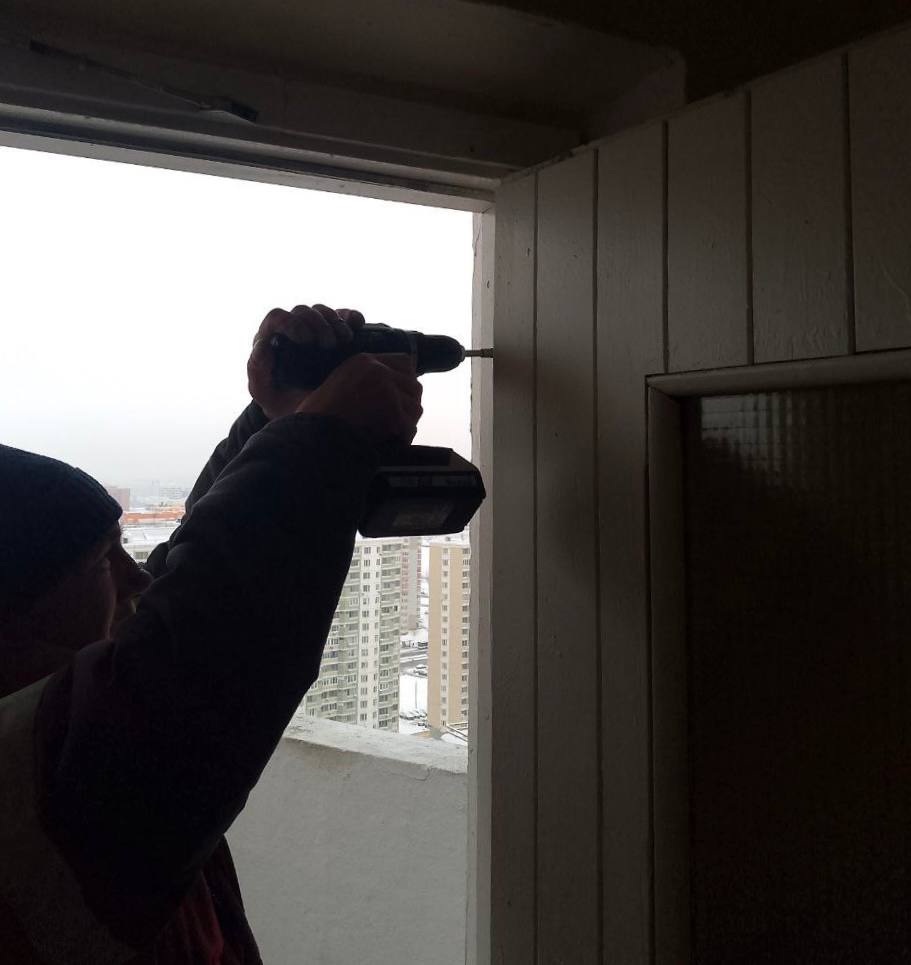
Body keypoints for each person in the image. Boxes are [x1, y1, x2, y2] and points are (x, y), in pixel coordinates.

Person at [0, 303, 423, 964]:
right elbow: (200, 653)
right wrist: (321, 437)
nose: (137, 579)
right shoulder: (39, 772)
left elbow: (183, 586)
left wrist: (273, 418)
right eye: (102, 561)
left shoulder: (58, 728)